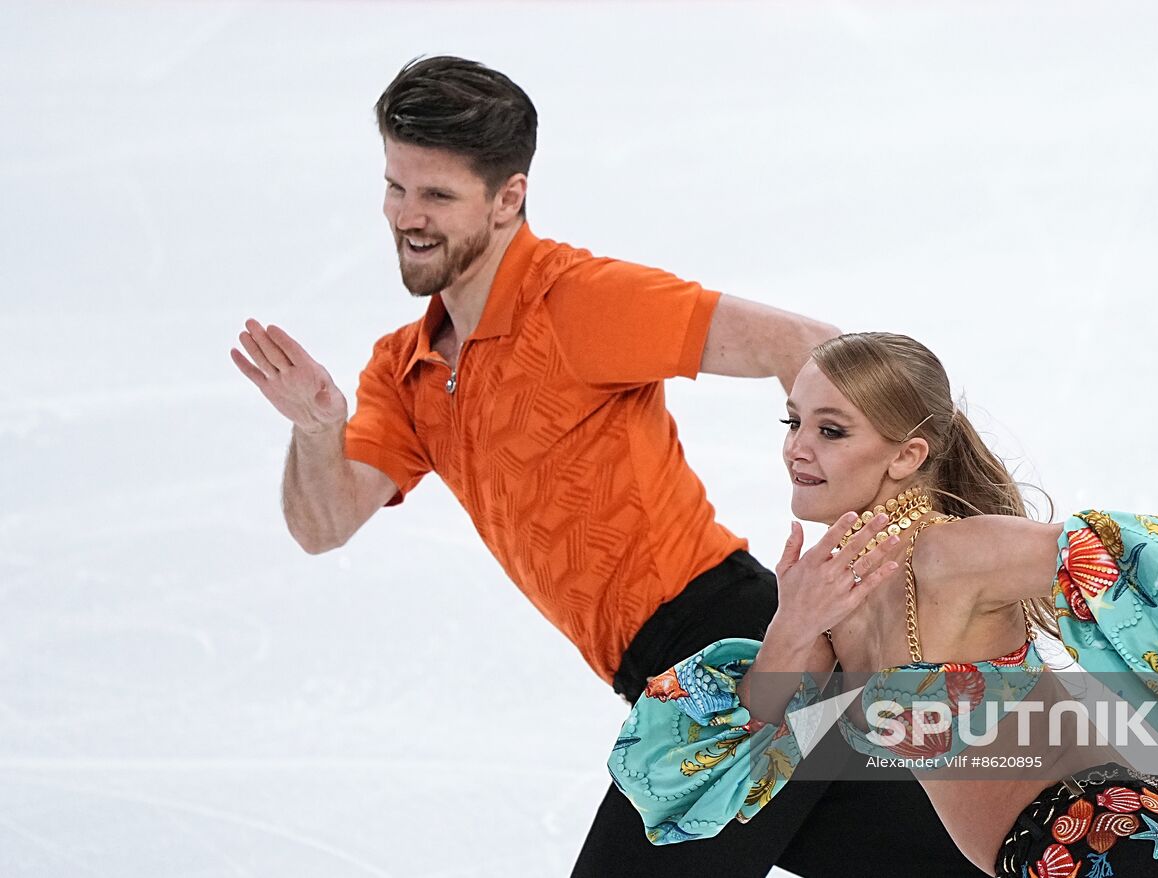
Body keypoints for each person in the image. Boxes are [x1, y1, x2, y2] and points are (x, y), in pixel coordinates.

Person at [230, 57, 984, 875]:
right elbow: (323, 523)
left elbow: (799, 344)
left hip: (725, 646)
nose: (408, 217)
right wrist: (318, 429)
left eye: (437, 196)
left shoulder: (578, 301)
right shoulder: (407, 370)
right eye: (396, 188)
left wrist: (871, 541)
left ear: (508, 197)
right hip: (688, 663)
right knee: (959, 853)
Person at [610, 332, 1158, 876]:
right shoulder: (828, 592)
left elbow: (1149, 555)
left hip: (1115, 840)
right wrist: (790, 628)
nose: (797, 447)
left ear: (907, 455)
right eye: (795, 422)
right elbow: (708, 771)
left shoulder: (954, 554)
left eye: (831, 430)